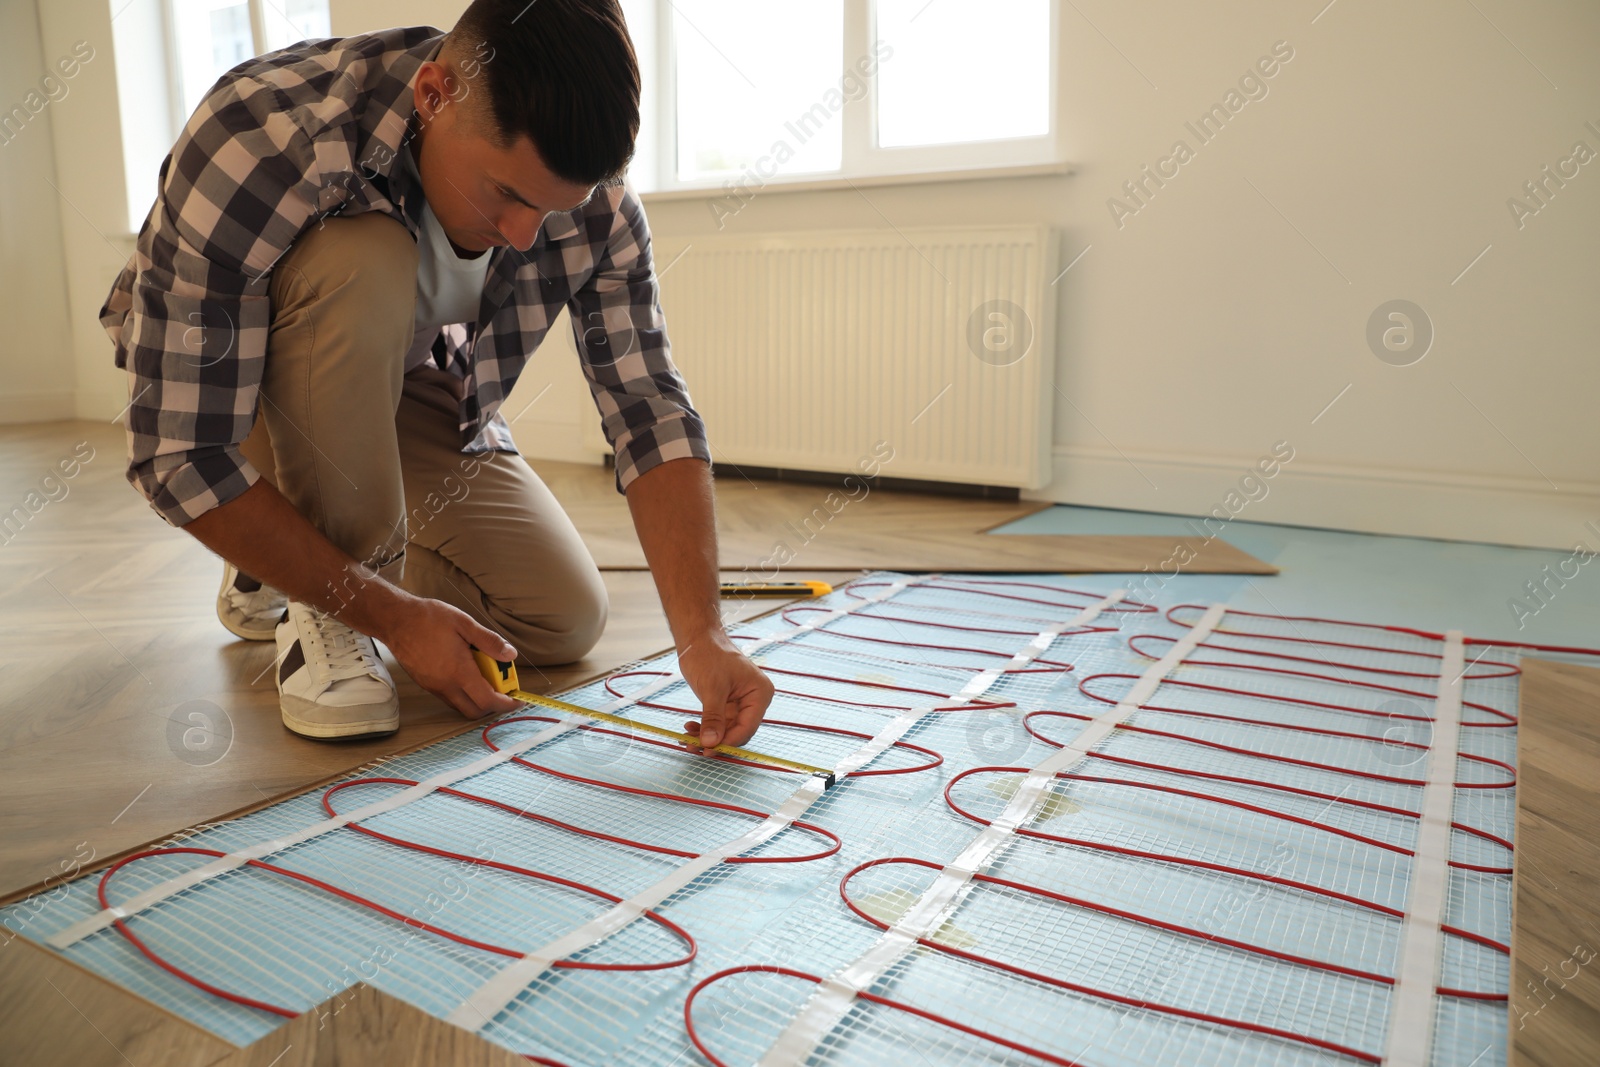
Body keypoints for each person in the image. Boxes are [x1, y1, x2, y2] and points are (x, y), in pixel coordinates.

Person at [100, 0, 773, 749]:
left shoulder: (597, 204)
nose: (523, 237)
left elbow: (647, 407)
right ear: (433, 95)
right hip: (245, 394)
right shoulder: (259, 138)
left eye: (553, 210)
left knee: (561, 616)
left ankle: (284, 553)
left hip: (404, 378)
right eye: (508, 195)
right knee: (363, 260)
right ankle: (321, 597)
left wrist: (702, 637)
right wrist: (387, 616)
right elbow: (175, 453)